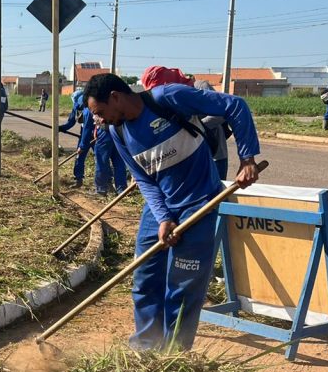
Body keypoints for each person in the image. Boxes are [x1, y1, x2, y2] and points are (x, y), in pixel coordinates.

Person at [83, 73, 260, 352]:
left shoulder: (167, 98)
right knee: (145, 280)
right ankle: (146, 348)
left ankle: (173, 356)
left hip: (199, 203)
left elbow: (235, 105)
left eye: (100, 112)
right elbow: (143, 179)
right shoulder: (117, 132)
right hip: (159, 209)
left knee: (182, 288)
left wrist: (247, 158)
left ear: (115, 97)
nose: (100, 120)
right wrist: (163, 217)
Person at [142, 66, 230, 180]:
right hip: (187, 157)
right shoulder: (163, 100)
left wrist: (196, 126)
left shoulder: (200, 87)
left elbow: (221, 113)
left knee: (218, 191)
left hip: (213, 153)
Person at [81, 108, 128, 196]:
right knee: (119, 162)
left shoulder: (90, 108)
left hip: (104, 133)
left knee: (101, 162)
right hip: (118, 132)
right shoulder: (112, 100)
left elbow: (87, 128)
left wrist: (82, 146)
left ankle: (101, 189)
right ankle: (122, 189)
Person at [59, 88, 91, 188]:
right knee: (80, 156)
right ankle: (78, 180)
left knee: (98, 157)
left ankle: (105, 184)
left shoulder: (88, 107)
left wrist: (83, 144)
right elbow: (71, 122)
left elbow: (87, 126)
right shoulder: (77, 105)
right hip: (85, 132)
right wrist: (61, 128)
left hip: (95, 133)